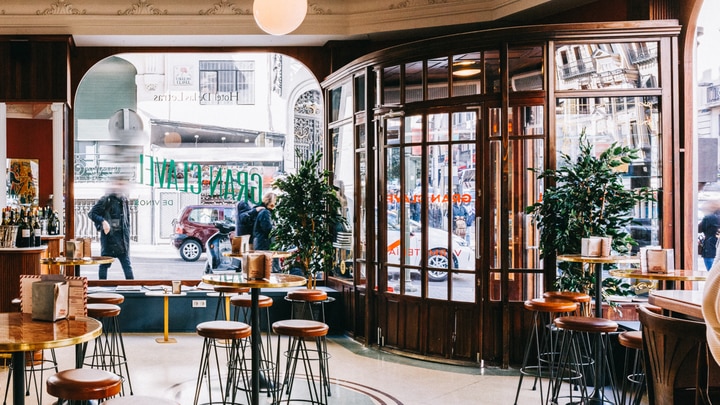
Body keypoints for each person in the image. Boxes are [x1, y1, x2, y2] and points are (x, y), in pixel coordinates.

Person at [89, 180, 134, 279]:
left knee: (127, 267)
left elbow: (126, 221)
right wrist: (103, 221)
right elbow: (92, 213)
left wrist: (127, 237)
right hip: (110, 238)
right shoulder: (106, 199)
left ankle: (132, 288)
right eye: (118, 184)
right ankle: (101, 289)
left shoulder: (124, 199)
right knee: (104, 265)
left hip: (122, 241)